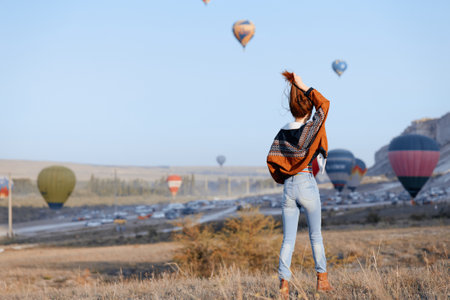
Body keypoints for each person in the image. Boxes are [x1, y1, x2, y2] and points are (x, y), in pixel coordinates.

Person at [267, 71, 333, 298]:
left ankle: (284, 285)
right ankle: (322, 281)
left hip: (288, 188)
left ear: (292, 107)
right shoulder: (312, 128)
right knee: (315, 236)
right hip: (306, 182)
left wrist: (284, 177)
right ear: (307, 109)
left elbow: (272, 160)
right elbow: (324, 105)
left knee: (288, 240)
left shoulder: (282, 133)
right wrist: (303, 85)